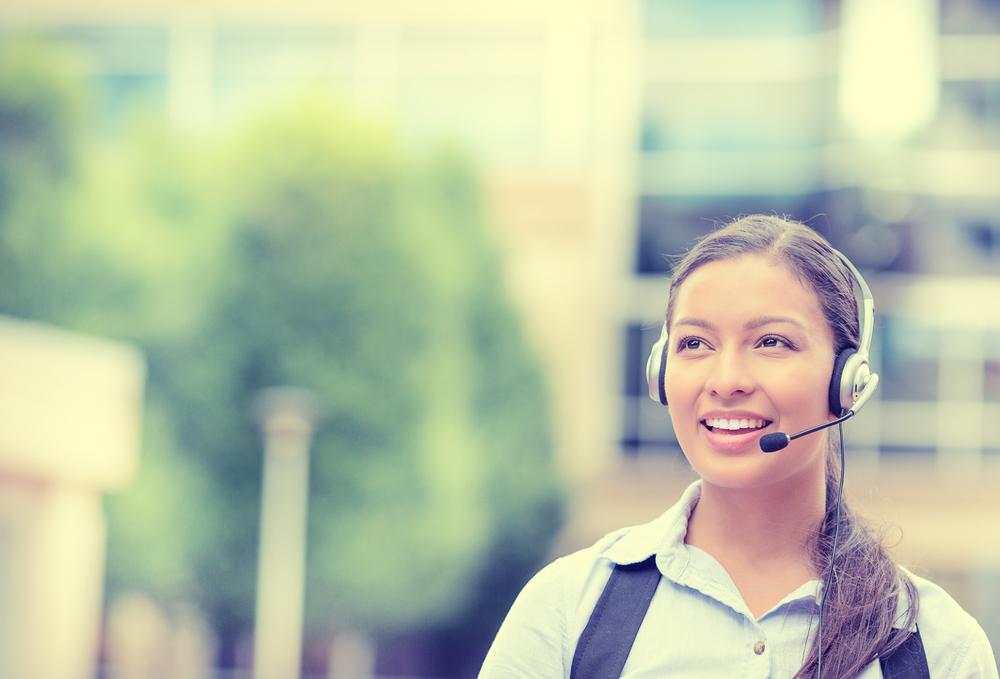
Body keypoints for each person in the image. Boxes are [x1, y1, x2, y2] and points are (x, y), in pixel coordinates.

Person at [478, 215, 998, 679]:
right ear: (661, 374)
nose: (726, 380)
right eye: (695, 344)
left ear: (847, 381)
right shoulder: (568, 610)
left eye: (772, 342)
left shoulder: (939, 648)